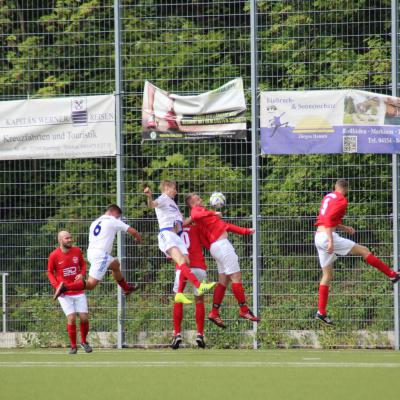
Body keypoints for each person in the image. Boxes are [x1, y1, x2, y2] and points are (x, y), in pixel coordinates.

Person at [314, 179, 400, 325]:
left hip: (318, 236)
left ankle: (321, 312)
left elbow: (326, 220)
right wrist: (331, 240)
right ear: (346, 189)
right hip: (326, 237)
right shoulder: (341, 200)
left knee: (327, 275)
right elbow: (328, 220)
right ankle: (392, 275)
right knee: (364, 250)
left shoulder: (328, 196)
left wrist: (344, 228)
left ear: (335, 187)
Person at [185, 193, 260, 328]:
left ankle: (214, 312)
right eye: (197, 198)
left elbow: (226, 226)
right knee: (236, 277)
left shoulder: (207, 215)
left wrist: (246, 231)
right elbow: (195, 215)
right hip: (222, 246)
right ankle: (244, 310)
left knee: (223, 280)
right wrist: (214, 213)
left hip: (218, 247)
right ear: (191, 202)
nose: (200, 198)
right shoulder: (198, 211)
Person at [144, 180, 216, 304]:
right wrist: (149, 197)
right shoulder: (163, 198)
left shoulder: (173, 204)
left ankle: (179, 294)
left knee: (187, 262)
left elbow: (182, 222)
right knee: (182, 261)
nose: (176, 191)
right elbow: (152, 205)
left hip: (176, 237)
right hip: (166, 234)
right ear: (166, 187)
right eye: (174, 188)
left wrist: (188, 217)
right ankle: (198, 285)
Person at [53, 204, 141, 299]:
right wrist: (139, 240)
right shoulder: (113, 221)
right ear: (112, 212)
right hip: (101, 256)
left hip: (91, 253)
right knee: (91, 285)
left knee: (115, 265)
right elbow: (134, 232)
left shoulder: (95, 222)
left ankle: (126, 288)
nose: (118, 218)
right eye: (118, 216)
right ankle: (65, 287)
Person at [47, 231, 92, 354]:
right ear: (60, 240)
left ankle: (83, 342)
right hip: (64, 294)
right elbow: (50, 272)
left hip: (78, 290)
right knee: (71, 318)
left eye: (70, 237)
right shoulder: (54, 255)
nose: (70, 240)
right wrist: (57, 287)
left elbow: (83, 265)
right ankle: (73, 346)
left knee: (84, 317)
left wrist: (81, 274)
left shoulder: (77, 251)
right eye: (67, 238)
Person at [171, 224, 207, 349]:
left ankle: (177, 334)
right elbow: (206, 242)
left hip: (182, 268)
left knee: (178, 298)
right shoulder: (197, 227)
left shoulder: (173, 229)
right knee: (199, 300)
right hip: (198, 267)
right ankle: (200, 334)